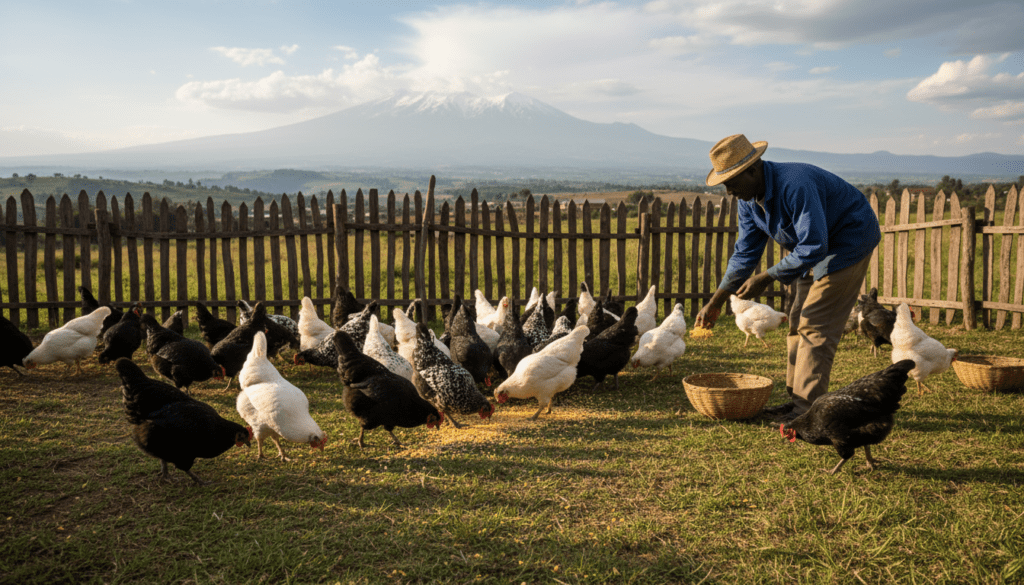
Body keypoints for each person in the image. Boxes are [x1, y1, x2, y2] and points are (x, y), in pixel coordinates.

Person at [695, 134, 881, 421]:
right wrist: (716, 301)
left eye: (732, 182)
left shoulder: (796, 184)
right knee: (796, 322)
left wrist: (766, 277)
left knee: (816, 325)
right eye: (724, 185)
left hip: (846, 245)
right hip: (811, 251)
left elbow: (815, 245)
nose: (729, 191)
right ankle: (796, 402)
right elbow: (745, 254)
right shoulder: (748, 201)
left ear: (753, 171)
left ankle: (806, 411)